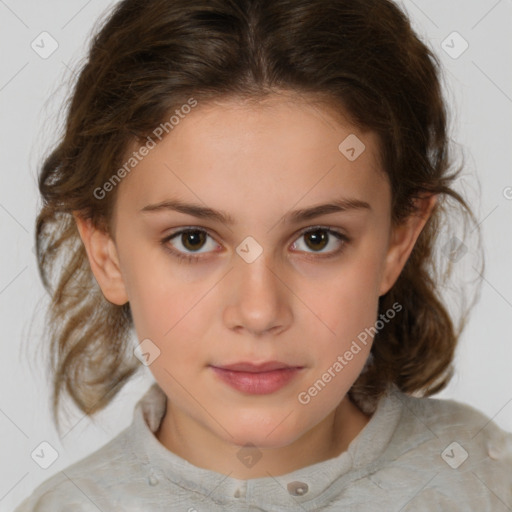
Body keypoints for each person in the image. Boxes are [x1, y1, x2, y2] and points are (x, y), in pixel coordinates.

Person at [15, 0, 512, 510]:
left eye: (318, 239)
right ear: (107, 255)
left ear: (396, 242)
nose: (258, 313)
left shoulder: (486, 479)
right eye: (193, 239)